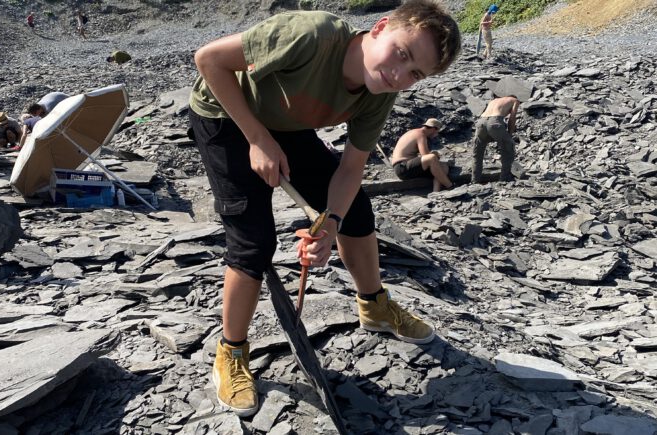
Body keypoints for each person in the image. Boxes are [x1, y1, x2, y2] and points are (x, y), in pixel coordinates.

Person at [189, 0, 461, 417]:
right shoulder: (313, 35)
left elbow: (351, 170)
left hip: (286, 124)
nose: (398, 75)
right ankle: (231, 353)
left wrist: (330, 226)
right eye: (402, 54)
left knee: (356, 212)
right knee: (253, 241)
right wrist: (258, 139)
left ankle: (374, 306)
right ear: (380, 26)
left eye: (415, 75)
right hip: (226, 114)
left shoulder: (377, 95)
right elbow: (208, 60)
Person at [391, 118, 453, 192]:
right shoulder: (420, 134)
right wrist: (435, 154)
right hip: (402, 167)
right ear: (433, 129)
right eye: (437, 132)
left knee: (443, 166)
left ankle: (436, 192)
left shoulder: (416, 132)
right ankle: (450, 186)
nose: (436, 135)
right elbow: (425, 155)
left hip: (409, 166)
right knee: (432, 157)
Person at [472, 95, 520, 183]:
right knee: (508, 148)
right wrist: (509, 134)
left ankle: (475, 180)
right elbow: (512, 118)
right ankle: (504, 179)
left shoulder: (494, 100)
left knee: (477, 153)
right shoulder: (514, 100)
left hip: (481, 122)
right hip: (495, 122)